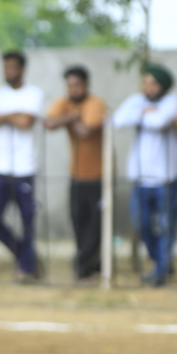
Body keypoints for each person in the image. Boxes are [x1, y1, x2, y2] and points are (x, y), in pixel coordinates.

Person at [112, 64, 177, 287]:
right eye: (146, 83)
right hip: (141, 178)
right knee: (141, 223)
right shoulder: (138, 101)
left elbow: (159, 122)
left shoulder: (172, 102)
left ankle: (161, 271)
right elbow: (118, 120)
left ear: (163, 86)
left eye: (153, 83)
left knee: (166, 226)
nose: (148, 88)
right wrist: (145, 111)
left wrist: (142, 114)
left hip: (165, 178)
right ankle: (161, 262)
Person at [0, 51, 45, 282]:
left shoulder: (34, 93)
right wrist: (13, 115)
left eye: (13, 67)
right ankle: (27, 257)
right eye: (6, 67)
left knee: (27, 221)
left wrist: (1, 116)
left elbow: (26, 122)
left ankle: (27, 268)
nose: (8, 72)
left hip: (25, 168)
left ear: (22, 69)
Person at [44, 65, 107, 282]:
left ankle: (83, 268)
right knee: (79, 222)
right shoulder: (65, 103)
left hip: (99, 176)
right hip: (76, 174)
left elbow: (85, 131)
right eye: (69, 85)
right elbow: (48, 123)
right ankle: (90, 266)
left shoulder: (95, 103)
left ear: (86, 84)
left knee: (96, 225)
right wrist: (72, 116)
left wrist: (69, 118)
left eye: (77, 85)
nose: (73, 89)